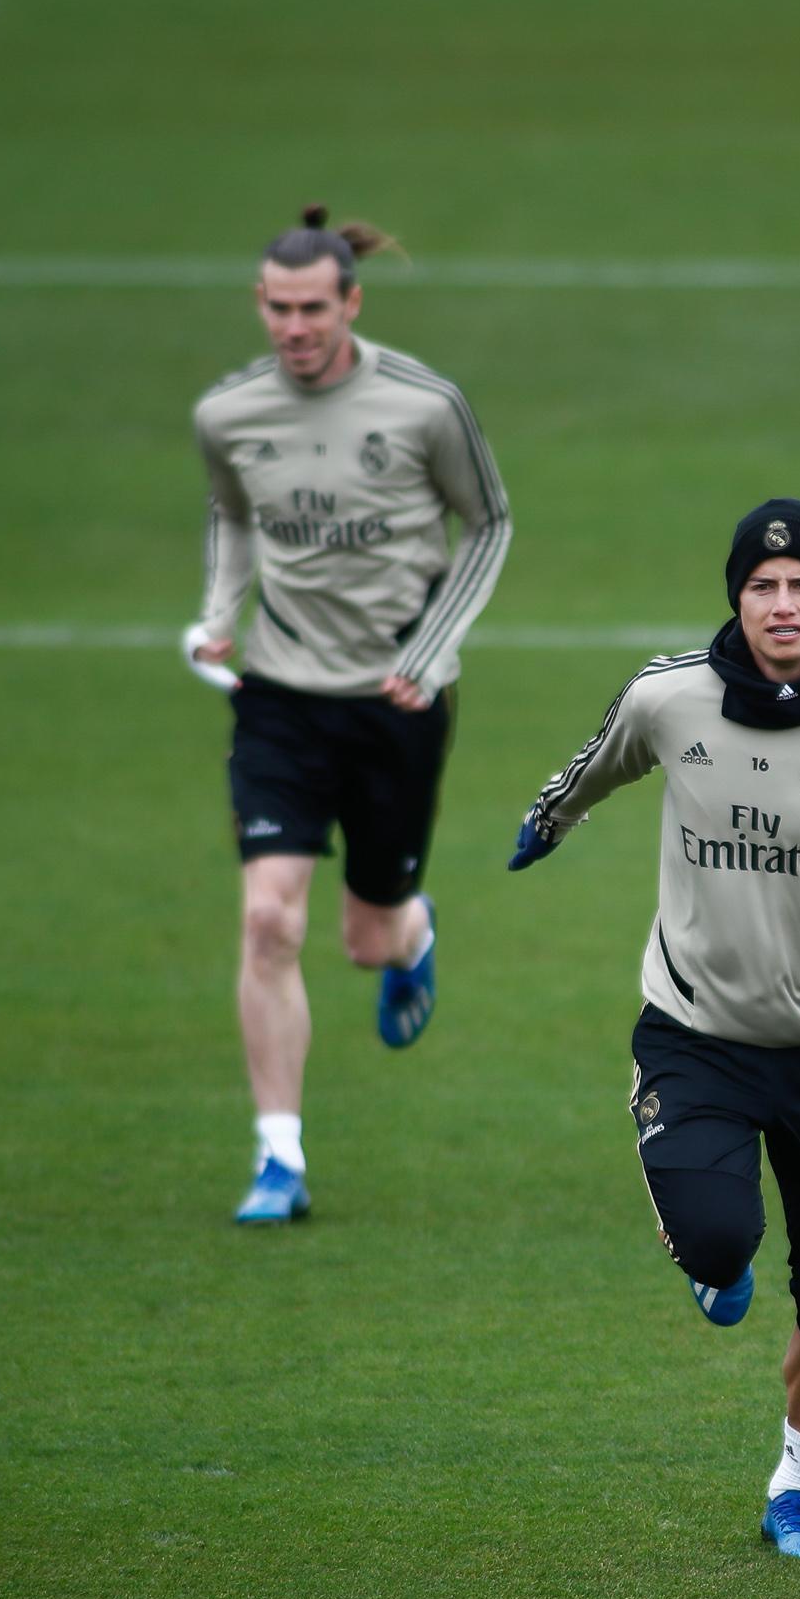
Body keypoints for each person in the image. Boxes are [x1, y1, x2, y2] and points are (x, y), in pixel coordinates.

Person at [510, 500, 800, 1559]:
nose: (782, 604)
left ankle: (798, 1484)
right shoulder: (670, 697)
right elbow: (601, 758)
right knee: (716, 1239)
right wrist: (549, 818)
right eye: (762, 586)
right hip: (695, 1033)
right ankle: (715, 1257)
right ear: (736, 598)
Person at [188, 204, 512, 1224]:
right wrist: (214, 613)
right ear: (261, 304)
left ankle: (411, 938)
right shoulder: (227, 413)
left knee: (363, 939)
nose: (294, 327)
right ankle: (278, 1155)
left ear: (351, 302)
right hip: (280, 697)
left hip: (395, 700)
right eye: (278, 308)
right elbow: (231, 512)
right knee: (268, 917)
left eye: (313, 308)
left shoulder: (423, 405)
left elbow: (491, 521)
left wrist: (431, 648)